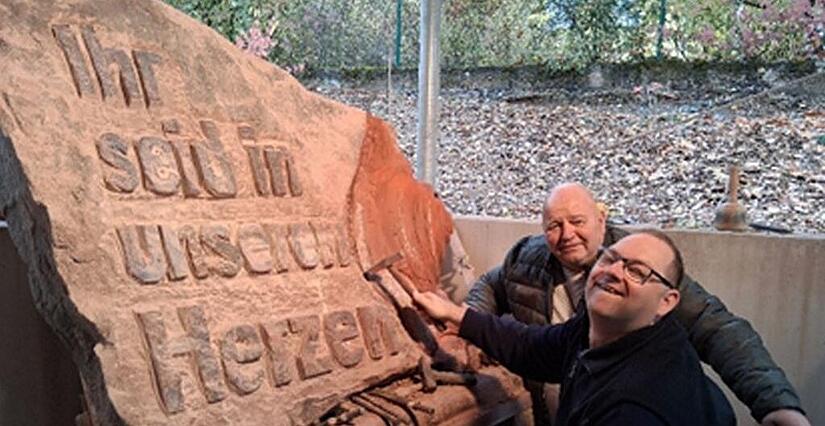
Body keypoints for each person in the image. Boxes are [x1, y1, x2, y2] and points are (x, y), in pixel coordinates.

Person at [464, 183, 808, 426]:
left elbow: (716, 328)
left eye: (578, 221)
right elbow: (494, 290)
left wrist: (774, 402)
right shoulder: (528, 257)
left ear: (602, 220)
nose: (566, 233)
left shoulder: (644, 267)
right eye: (554, 225)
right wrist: (464, 317)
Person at [415, 231, 735, 425]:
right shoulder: (593, 332)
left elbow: (724, 329)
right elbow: (532, 346)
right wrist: (457, 315)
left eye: (637, 271)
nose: (614, 272)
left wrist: (776, 403)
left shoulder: (635, 407)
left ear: (667, 302)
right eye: (610, 259)